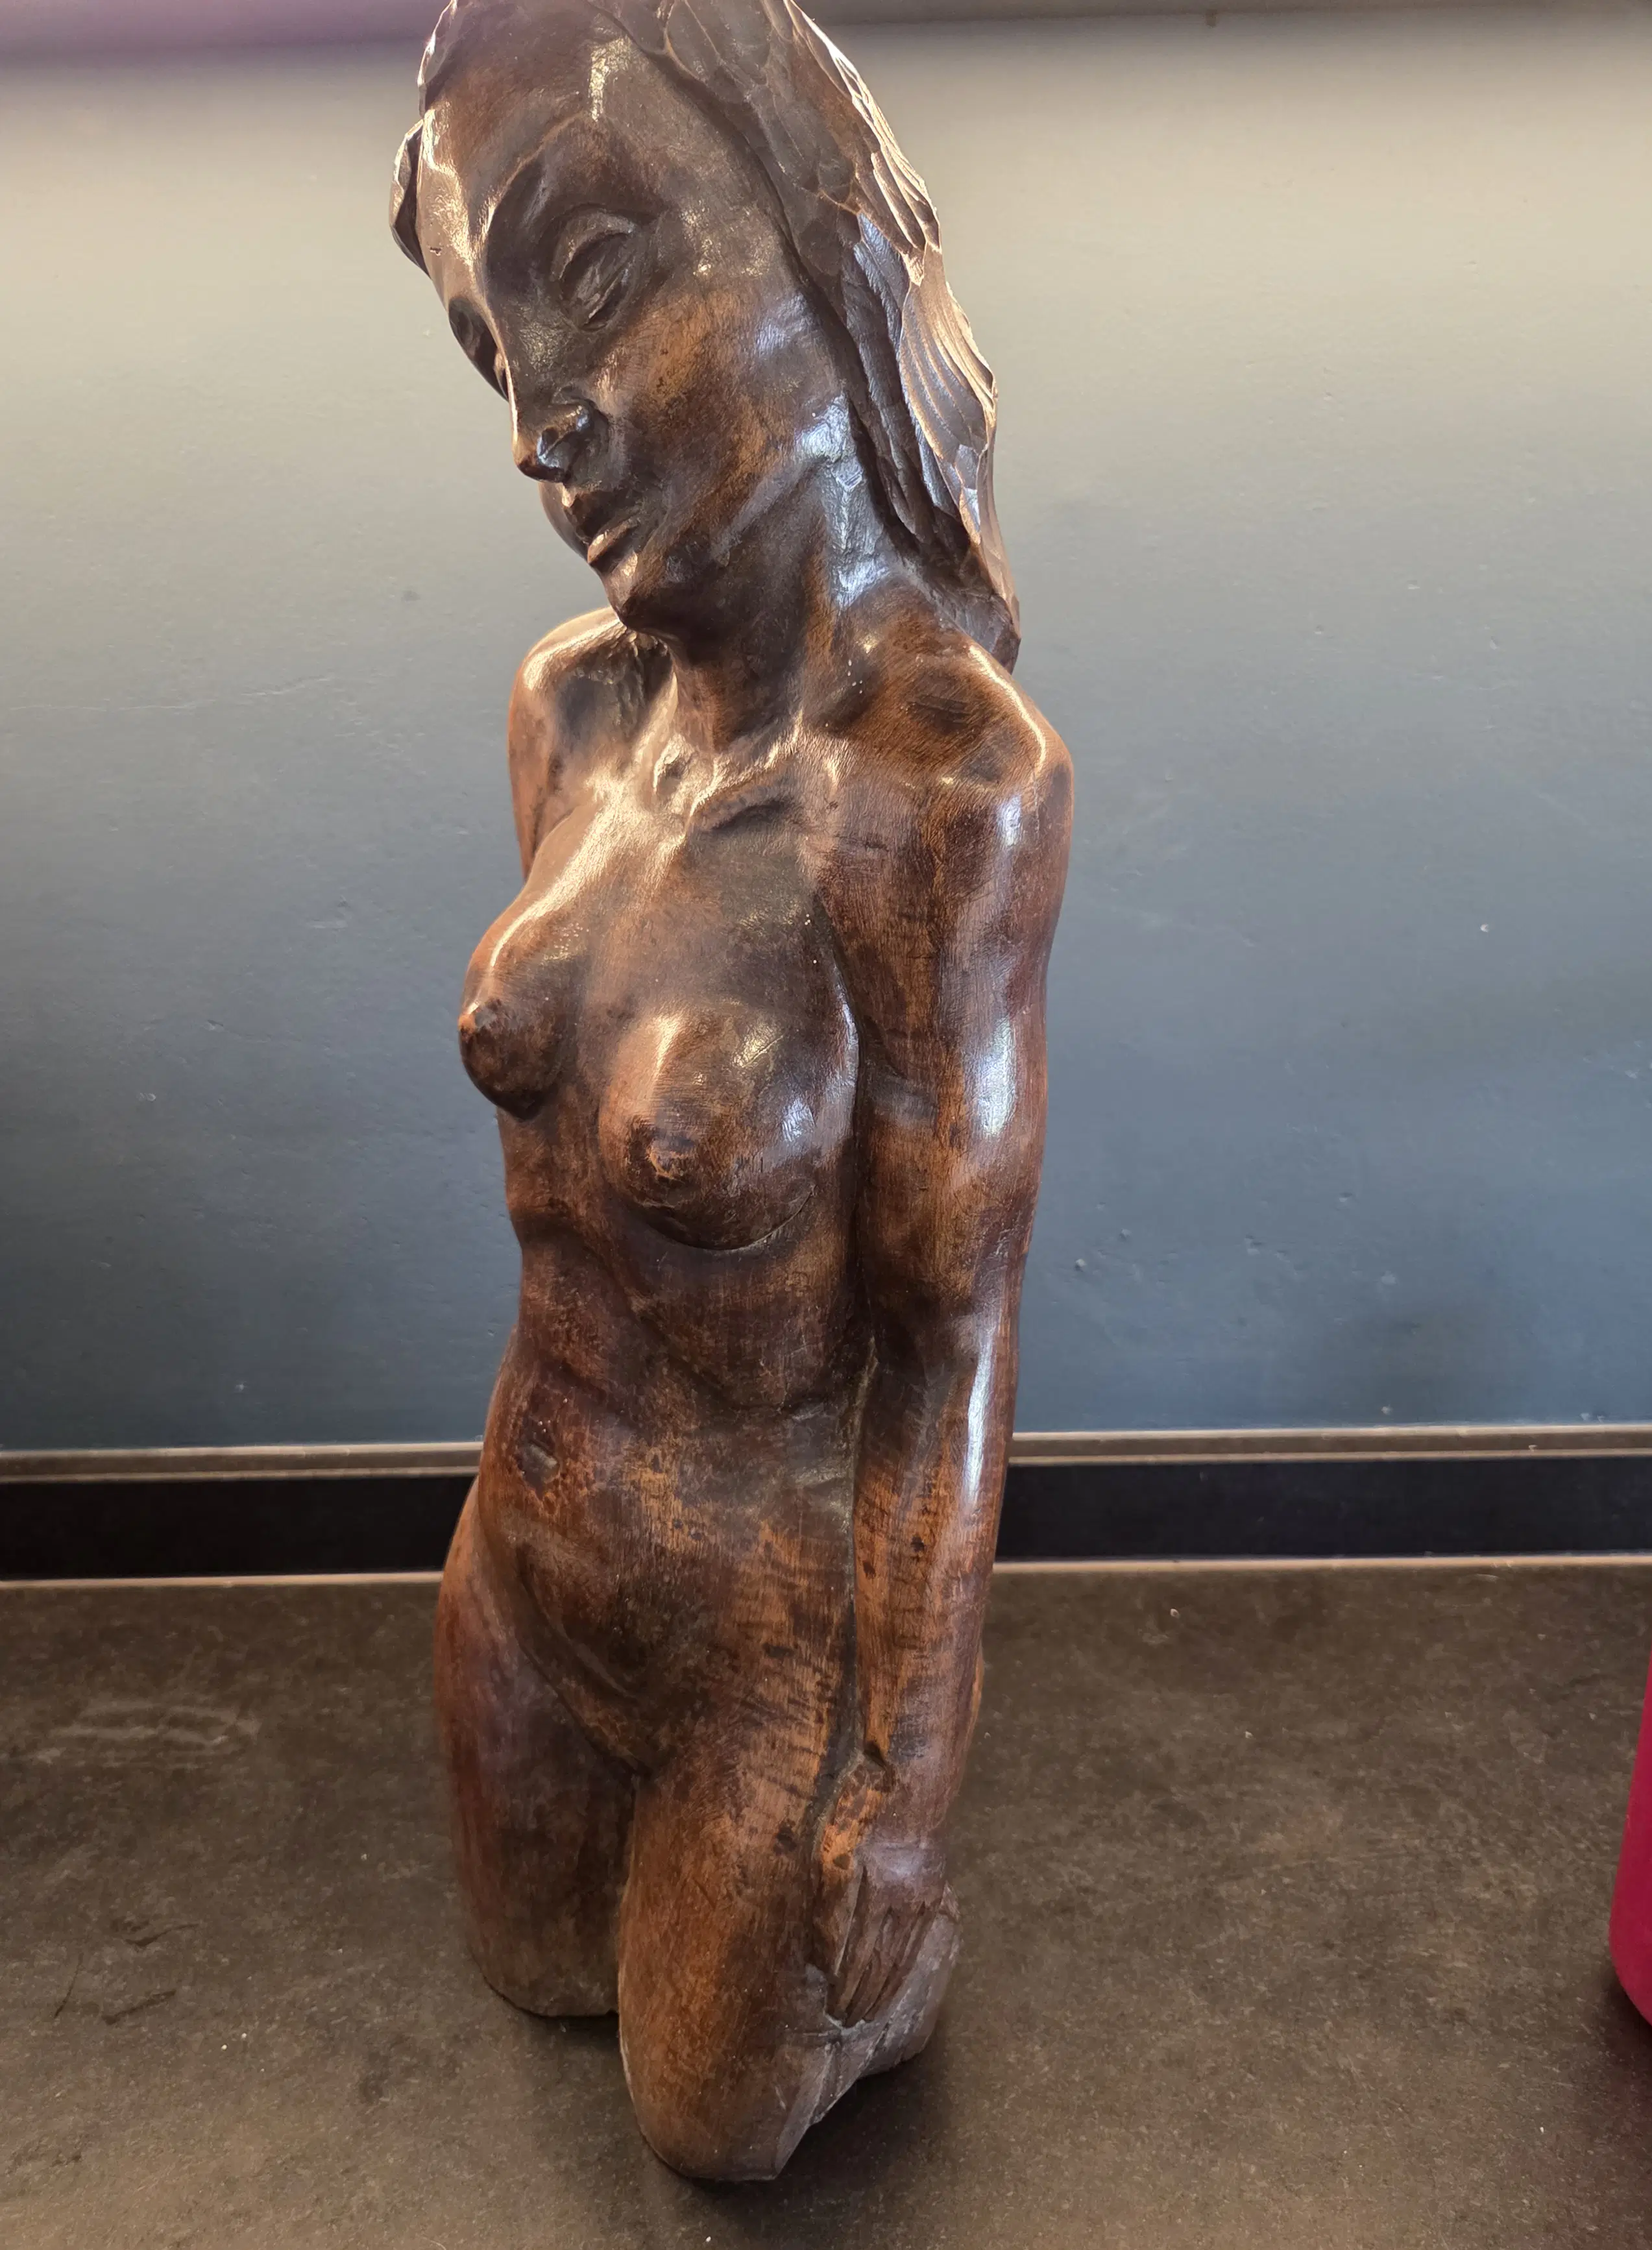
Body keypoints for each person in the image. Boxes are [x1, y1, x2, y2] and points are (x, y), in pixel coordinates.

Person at [392, 0, 1071, 2178]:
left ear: (817, 226)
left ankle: (873, 1948)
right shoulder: (571, 716)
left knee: (716, 2129)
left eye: (593, 271)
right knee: (529, 1982)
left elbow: (947, 1342)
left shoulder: (936, 795)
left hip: (765, 1656)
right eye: (494, 352)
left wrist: (898, 1789)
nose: (543, 426)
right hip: (520, 1575)